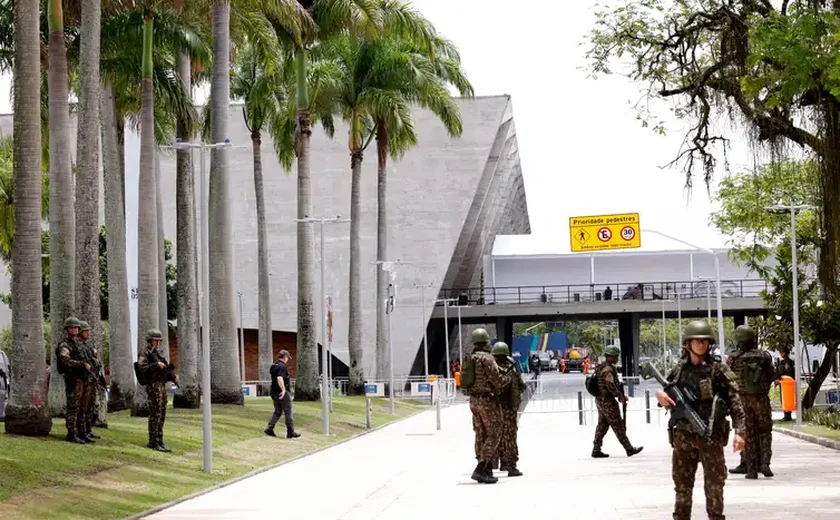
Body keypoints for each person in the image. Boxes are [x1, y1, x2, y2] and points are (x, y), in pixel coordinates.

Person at [656, 320, 746, 520]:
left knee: (715, 488)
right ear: (688, 344)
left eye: (705, 340)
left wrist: (740, 433)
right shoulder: (679, 370)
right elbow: (667, 394)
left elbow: (735, 402)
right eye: (696, 340)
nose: (701, 344)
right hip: (683, 439)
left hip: (710, 438)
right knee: (682, 488)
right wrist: (660, 397)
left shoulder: (718, 370)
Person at [463, 327, 511, 484]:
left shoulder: (471, 358)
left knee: (481, 434)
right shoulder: (487, 359)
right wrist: (507, 378)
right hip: (487, 401)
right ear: (485, 342)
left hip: (474, 401)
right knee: (495, 433)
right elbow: (497, 381)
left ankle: (486, 469)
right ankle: (481, 468)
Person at [727, 325, 775, 479]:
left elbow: (728, 378)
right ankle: (765, 463)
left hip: (742, 401)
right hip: (761, 400)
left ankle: (751, 468)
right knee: (765, 432)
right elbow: (772, 375)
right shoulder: (764, 357)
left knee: (747, 433)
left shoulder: (734, 358)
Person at [592, 344, 643, 458]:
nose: (616, 359)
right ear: (610, 356)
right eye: (615, 356)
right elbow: (610, 385)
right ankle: (629, 449)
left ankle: (596, 449)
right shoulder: (607, 369)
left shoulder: (602, 367)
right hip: (607, 402)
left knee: (602, 425)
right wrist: (620, 396)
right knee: (618, 425)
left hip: (600, 400)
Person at [137, 329, 178, 452]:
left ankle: (159, 439)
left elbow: (165, 368)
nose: (158, 343)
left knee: (162, 412)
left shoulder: (157, 353)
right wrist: (156, 365)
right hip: (153, 386)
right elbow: (142, 367)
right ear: (150, 340)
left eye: (159, 340)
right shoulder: (145, 353)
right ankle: (153, 441)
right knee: (155, 413)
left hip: (161, 385)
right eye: (156, 340)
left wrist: (173, 377)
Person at [490, 341, 525, 477]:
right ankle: (509, 465)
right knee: (509, 437)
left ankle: (492, 463)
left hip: (494, 408)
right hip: (510, 409)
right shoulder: (512, 369)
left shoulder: (492, 369)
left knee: (494, 435)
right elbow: (521, 386)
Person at [55, 316, 90, 444]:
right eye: (72, 327)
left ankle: (82, 433)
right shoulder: (65, 345)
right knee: (73, 408)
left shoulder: (79, 344)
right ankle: (71, 433)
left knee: (82, 407)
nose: (75, 329)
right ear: (67, 329)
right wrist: (80, 364)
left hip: (82, 379)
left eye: (76, 328)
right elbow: (65, 360)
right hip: (73, 379)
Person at [265, 350, 300, 439]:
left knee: (278, 411)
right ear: (284, 357)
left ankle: (269, 428)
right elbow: (279, 378)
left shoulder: (274, 365)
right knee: (288, 412)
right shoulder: (282, 366)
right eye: (287, 358)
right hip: (282, 392)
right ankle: (290, 432)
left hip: (274, 391)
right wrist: (283, 390)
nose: (287, 360)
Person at [77, 321, 101, 442]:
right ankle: (82, 431)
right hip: (84, 379)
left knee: (90, 406)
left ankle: (88, 429)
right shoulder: (78, 345)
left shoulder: (87, 346)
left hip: (92, 379)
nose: (88, 333)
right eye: (86, 331)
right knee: (83, 407)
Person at [775, 347, 795, 421]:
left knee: (786, 399)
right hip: (783, 383)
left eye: (782, 352)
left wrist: (779, 378)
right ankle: (786, 414)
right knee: (783, 399)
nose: (780, 354)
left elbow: (787, 372)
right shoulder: (781, 361)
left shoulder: (788, 362)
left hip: (787, 383)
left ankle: (787, 415)